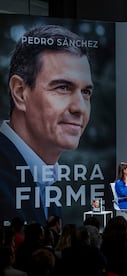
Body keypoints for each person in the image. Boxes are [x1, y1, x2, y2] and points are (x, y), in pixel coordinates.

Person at [0, 24, 94, 225]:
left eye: (86, 92)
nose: (80, 108)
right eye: (62, 87)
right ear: (20, 92)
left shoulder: (44, 176)